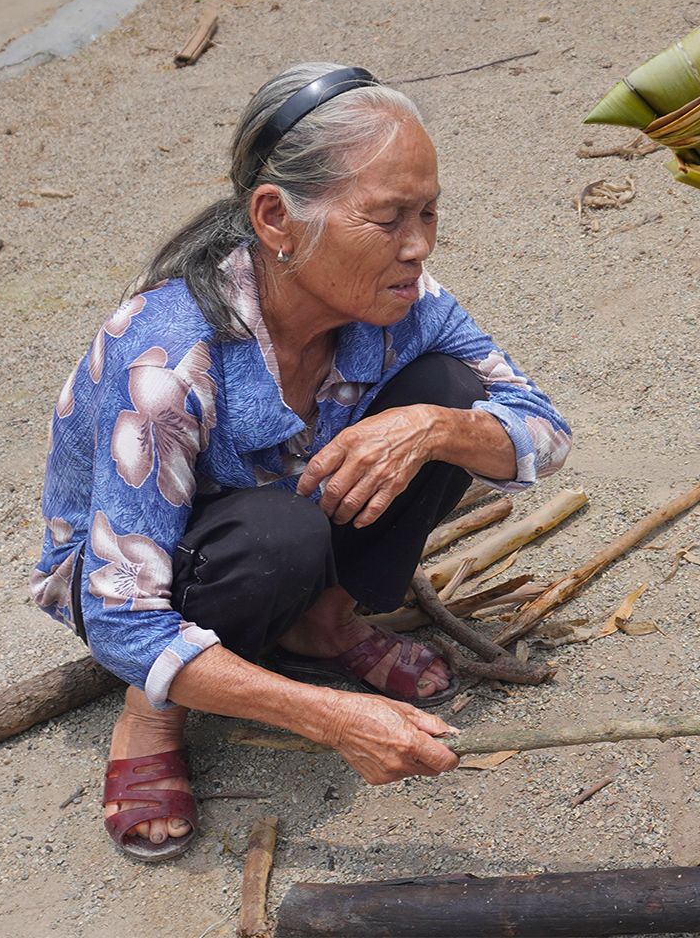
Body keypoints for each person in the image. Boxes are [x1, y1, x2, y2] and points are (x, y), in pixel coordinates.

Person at [30, 63, 573, 861]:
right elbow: (120, 612)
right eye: (388, 219)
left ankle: (325, 620)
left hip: (292, 519)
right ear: (277, 217)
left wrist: (428, 426)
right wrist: (330, 719)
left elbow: (545, 428)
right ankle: (151, 713)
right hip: (138, 575)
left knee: (453, 395)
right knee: (273, 536)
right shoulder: (170, 359)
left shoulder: (408, 305)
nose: (419, 247)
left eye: (429, 214)